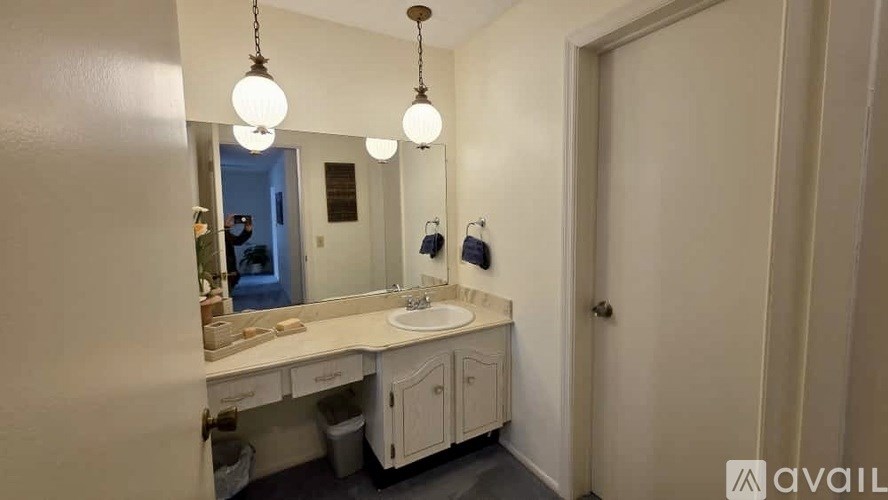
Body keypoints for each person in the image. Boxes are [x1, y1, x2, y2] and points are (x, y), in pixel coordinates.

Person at [225, 215, 253, 290]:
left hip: (230, 270)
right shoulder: (221, 234)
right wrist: (226, 227)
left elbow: (238, 241)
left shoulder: (225, 233)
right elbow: (236, 241)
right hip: (226, 268)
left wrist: (247, 230)